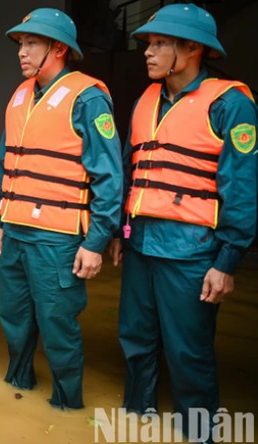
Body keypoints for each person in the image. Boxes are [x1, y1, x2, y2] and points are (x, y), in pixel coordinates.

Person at [109, 4, 257, 439]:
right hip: (140, 242)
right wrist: (120, 230)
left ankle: (199, 431)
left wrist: (227, 261)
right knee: (135, 337)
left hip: (192, 249)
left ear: (192, 48)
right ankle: (137, 417)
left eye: (159, 44)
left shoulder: (230, 104)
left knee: (188, 350)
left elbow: (242, 187)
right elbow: (132, 169)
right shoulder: (147, 99)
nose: (147, 52)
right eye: (148, 44)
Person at [0, 8, 122, 409]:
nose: (21, 52)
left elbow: (109, 177)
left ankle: (67, 404)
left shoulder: (89, 99)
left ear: (59, 48)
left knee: (57, 323)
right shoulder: (20, 94)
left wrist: (95, 242)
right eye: (20, 43)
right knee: (14, 317)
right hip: (14, 230)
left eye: (32, 43)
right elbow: (4, 160)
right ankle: (19, 383)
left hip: (58, 236)